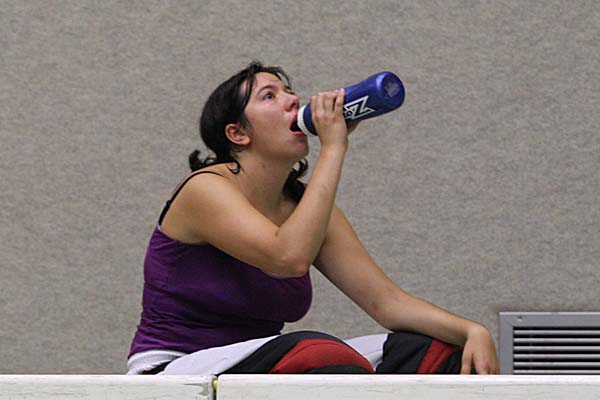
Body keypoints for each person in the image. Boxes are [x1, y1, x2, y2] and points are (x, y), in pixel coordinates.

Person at [127, 61, 499, 375]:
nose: (292, 100)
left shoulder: (305, 206)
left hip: (264, 365)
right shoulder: (205, 188)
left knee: (436, 354)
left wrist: (470, 331)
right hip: (174, 369)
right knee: (320, 353)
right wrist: (334, 148)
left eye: (290, 92)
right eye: (270, 96)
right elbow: (287, 258)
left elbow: (387, 303)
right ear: (237, 133)